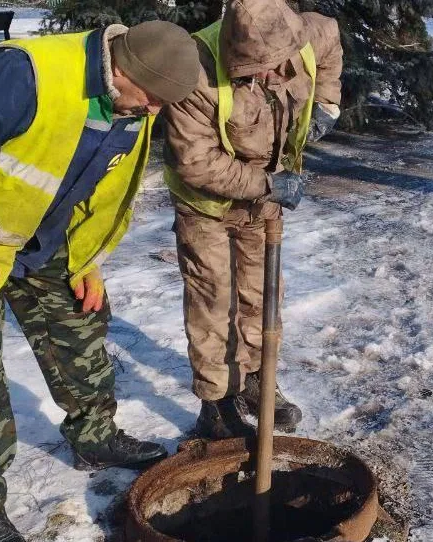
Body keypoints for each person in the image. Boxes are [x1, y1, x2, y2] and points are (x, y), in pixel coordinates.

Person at [0, 21, 199, 542]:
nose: (155, 113)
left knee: (82, 325)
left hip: (45, 241)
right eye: (154, 99)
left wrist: (86, 259)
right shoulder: (24, 74)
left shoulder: (132, 100)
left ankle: (93, 435)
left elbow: (96, 186)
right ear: (122, 70)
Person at [163, 0, 342, 439]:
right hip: (205, 204)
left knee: (261, 294)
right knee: (214, 301)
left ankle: (258, 381)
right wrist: (267, 185)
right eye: (253, 72)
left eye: (273, 68)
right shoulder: (196, 71)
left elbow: (332, 40)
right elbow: (196, 162)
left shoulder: (305, 34)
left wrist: (326, 105)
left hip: (264, 202)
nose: (266, 79)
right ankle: (216, 401)